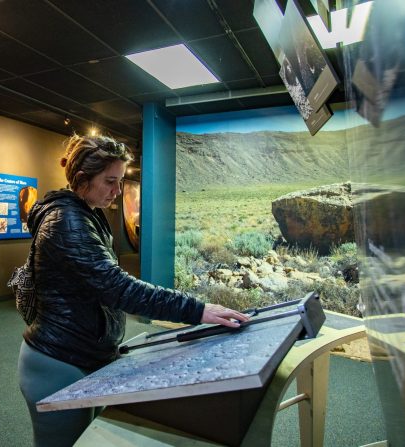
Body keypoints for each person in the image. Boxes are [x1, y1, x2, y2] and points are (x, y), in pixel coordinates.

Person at [17, 134, 251, 447]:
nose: (117, 191)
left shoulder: (87, 212)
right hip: (58, 363)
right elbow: (119, 289)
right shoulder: (67, 223)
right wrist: (198, 310)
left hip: (85, 354)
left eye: (120, 181)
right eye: (110, 181)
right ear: (82, 179)